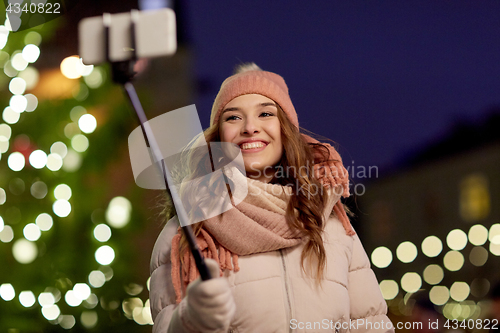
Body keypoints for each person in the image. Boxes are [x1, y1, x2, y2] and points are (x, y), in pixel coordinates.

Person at [149, 64, 393, 332]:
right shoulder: (189, 229)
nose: (250, 127)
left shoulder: (331, 224)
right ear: (218, 137)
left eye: (265, 113)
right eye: (233, 118)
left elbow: (370, 324)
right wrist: (189, 321)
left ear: (286, 130)